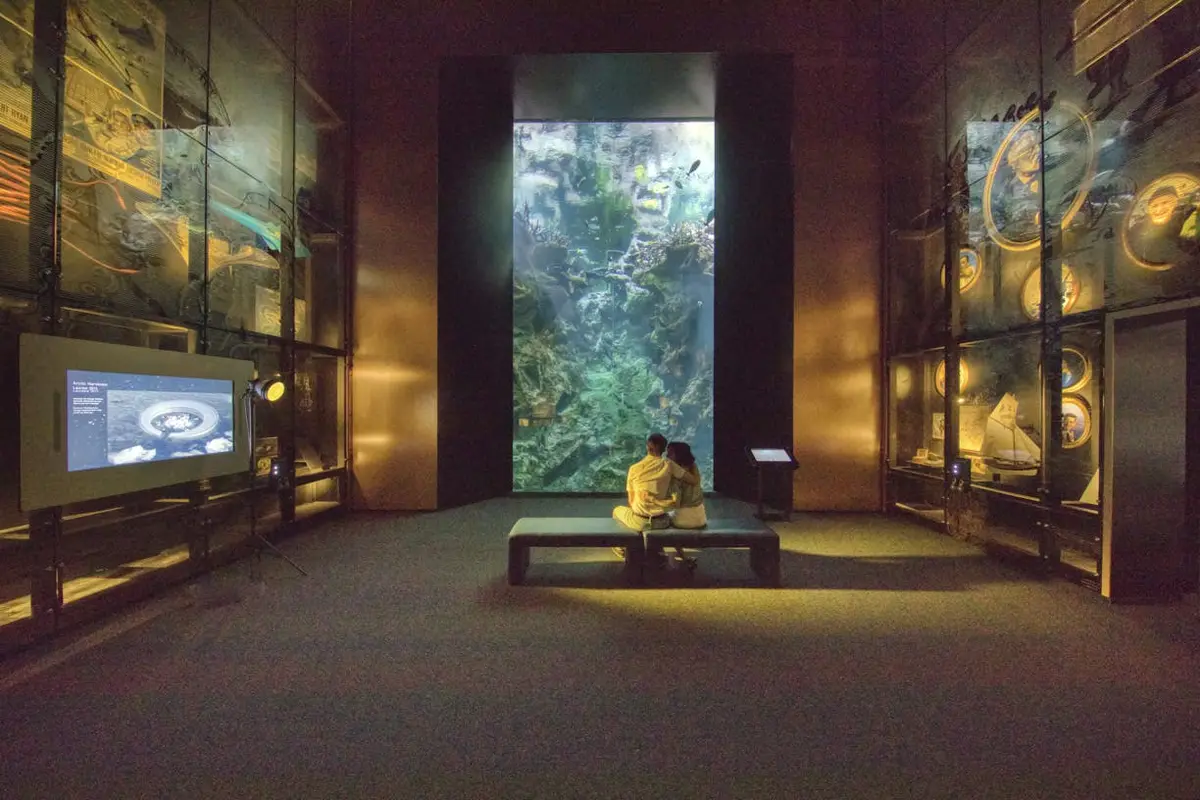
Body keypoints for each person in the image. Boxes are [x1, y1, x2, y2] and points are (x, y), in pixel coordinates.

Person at [612, 433, 698, 558]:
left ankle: (621, 549)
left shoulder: (633, 469)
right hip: (662, 522)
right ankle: (655, 544)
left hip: (639, 521)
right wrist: (692, 462)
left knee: (616, 511)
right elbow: (693, 481)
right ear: (663, 449)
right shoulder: (669, 465)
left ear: (648, 447)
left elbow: (631, 501)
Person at [665, 441, 706, 530]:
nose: (667, 456)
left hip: (684, 521)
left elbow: (676, 502)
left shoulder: (676, 475)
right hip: (701, 519)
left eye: (670, 453)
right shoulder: (694, 469)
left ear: (679, 455)